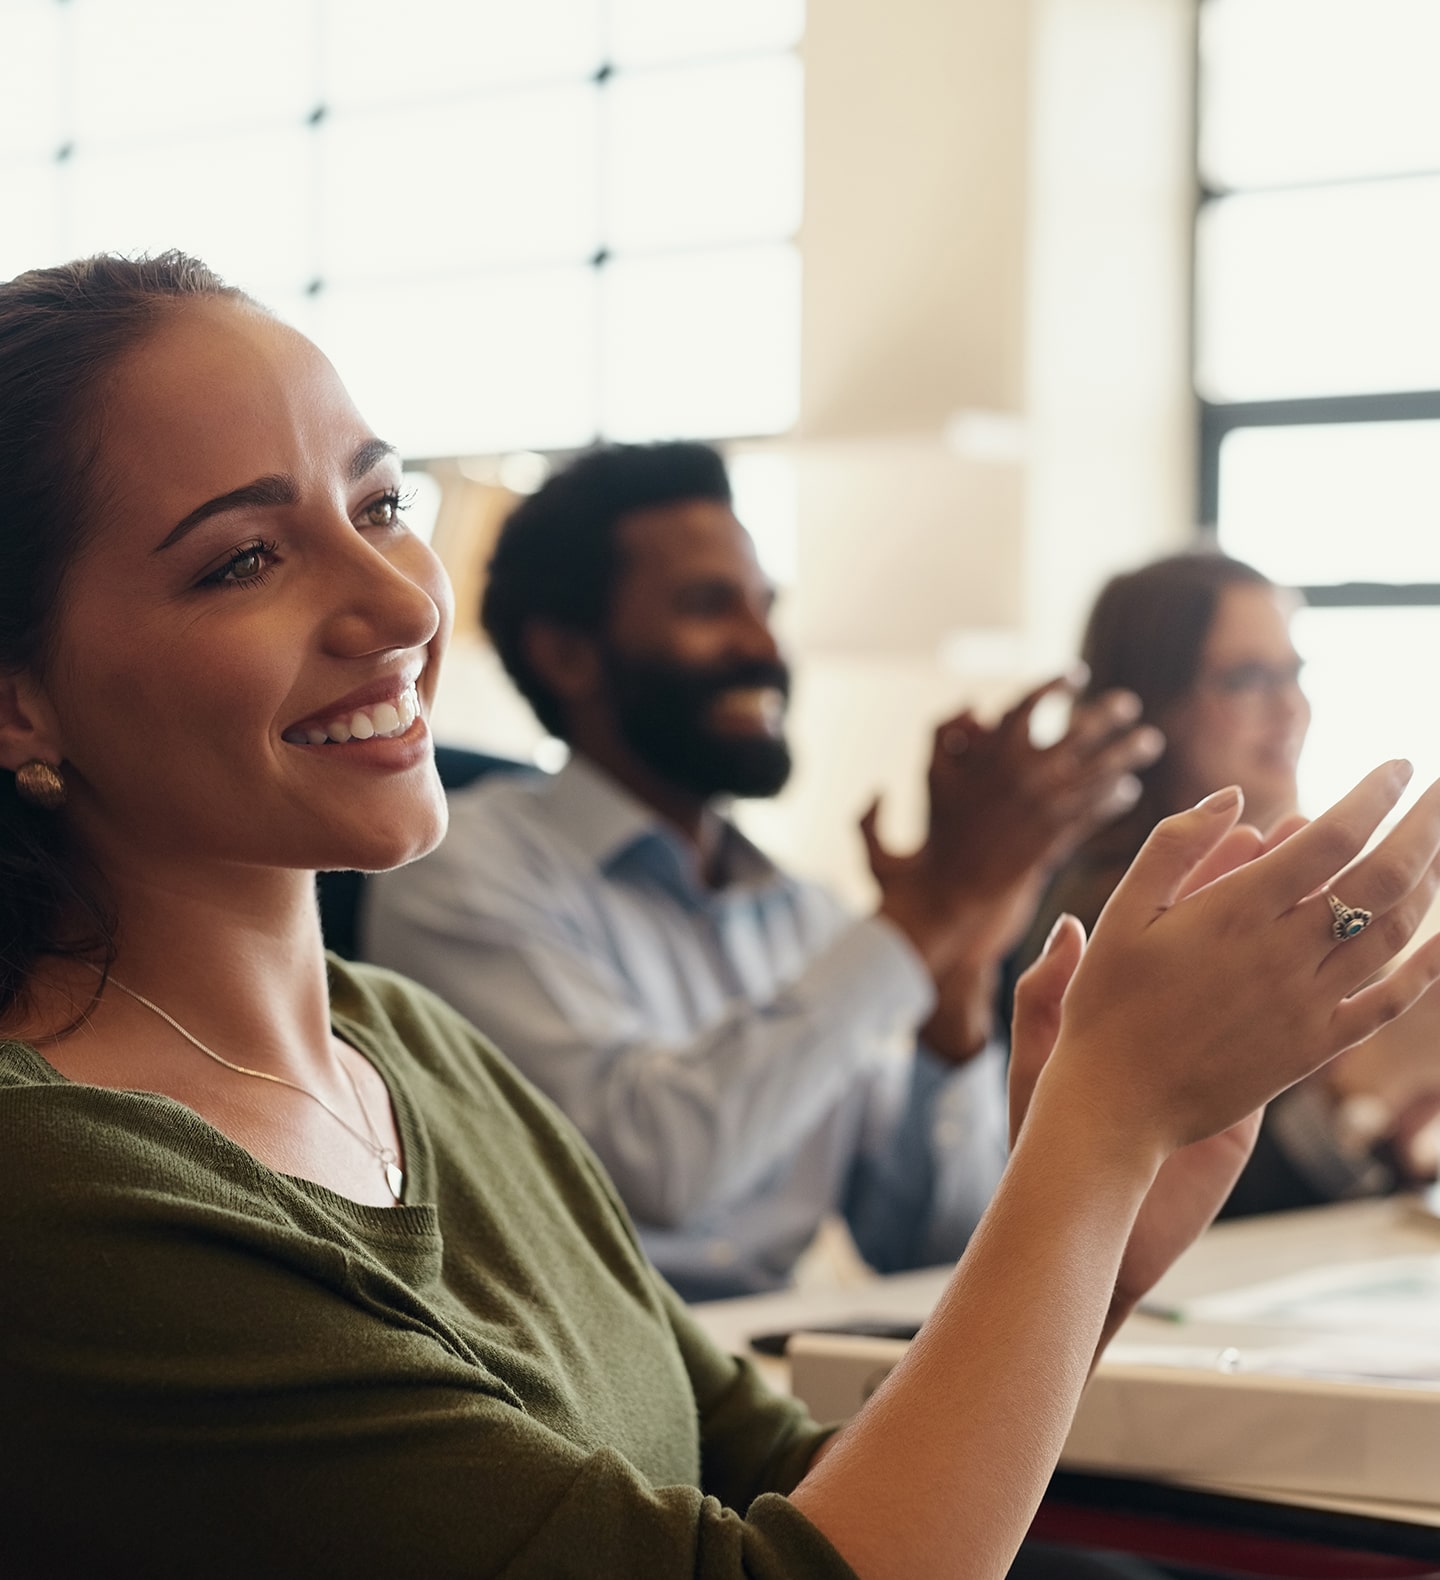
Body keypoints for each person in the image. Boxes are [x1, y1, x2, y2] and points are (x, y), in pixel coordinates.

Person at [6, 253, 1440, 1580]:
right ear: (19, 695)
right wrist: (1097, 1128)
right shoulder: (57, 1194)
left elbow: (790, 1482)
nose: (395, 599)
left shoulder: (411, 1052)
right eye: (243, 558)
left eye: (383, 507)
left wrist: (1112, 1218)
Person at [363, 441, 1165, 1299]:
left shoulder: (802, 918)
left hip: (776, 1385)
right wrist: (929, 915)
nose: (762, 645)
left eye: (765, 605)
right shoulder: (462, 872)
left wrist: (959, 972)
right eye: (709, 606)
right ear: (567, 655)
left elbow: (932, 1244)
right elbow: (659, 1169)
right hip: (580, 1405)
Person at [1013, 550, 1440, 1212]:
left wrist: (1393, 1121)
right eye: (1246, 678)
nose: (1291, 708)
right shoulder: (1095, 918)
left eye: (1293, 673)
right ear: (1152, 704)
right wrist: (1360, 1092)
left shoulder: (1284, 894)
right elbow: (1151, 1209)